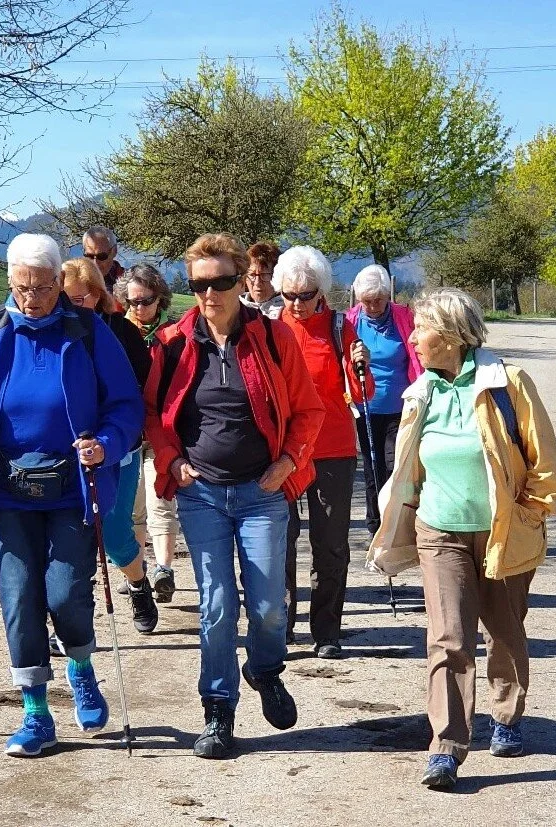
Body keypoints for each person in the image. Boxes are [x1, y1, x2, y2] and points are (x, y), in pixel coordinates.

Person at [0, 234, 144, 757]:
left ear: (60, 281)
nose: (33, 297)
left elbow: (125, 405)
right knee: (18, 597)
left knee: (63, 592)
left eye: (45, 286)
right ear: (10, 280)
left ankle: (80, 667)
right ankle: (35, 713)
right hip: (8, 491)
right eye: (23, 286)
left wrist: (105, 444)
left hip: (73, 490)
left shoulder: (87, 330)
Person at [368, 287, 556, 789]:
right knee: (449, 637)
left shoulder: (508, 384)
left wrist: (528, 516)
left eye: (422, 328)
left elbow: (545, 466)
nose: (412, 337)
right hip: (440, 529)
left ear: (452, 336)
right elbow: (408, 467)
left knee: (503, 632)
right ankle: (447, 746)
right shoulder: (422, 392)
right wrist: (393, 519)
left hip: (504, 531)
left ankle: (506, 717)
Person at [144, 233, 324, 759]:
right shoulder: (172, 343)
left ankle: (265, 670)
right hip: (201, 493)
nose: (210, 293)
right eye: (199, 284)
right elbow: (154, 414)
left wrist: (289, 462)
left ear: (242, 281)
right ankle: (218, 711)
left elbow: (309, 411)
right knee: (218, 606)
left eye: (221, 282)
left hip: (262, 492)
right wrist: (172, 462)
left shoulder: (273, 338)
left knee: (269, 605)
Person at [272, 246, 374, 658]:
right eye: (288, 295)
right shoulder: (268, 328)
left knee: (330, 543)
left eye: (305, 294)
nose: (296, 304)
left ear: (322, 292)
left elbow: (363, 394)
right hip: (281, 451)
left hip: (332, 448)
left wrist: (359, 364)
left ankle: (326, 631)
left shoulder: (338, 329)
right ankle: (279, 626)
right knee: (279, 541)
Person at [62, 258, 158, 633]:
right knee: (72, 534)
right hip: (68, 452)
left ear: (98, 297)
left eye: (78, 299)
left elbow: (142, 390)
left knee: (115, 534)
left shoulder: (121, 332)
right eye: (64, 298)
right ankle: (72, 617)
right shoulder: (51, 333)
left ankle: (137, 584)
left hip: (119, 448)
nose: (69, 307)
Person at [113, 263, 180, 602]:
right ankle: (136, 569)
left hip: (162, 429)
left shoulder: (173, 335)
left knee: (161, 501)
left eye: (147, 300)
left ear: (160, 299)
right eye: (133, 301)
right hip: (126, 431)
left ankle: (164, 569)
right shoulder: (117, 334)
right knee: (132, 506)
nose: (140, 308)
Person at [347, 265, 422, 537]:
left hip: (401, 405)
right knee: (372, 466)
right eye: (366, 301)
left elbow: (418, 353)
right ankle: (375, 525)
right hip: (365, 408)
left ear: (388, 296)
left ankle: (398, 524)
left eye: (378, 299)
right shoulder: (351, 321)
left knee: (396, 466)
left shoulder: (404, 317)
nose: (373, 306)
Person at [240, 241, 285, 319]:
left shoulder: (289, 311)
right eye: (252, 275)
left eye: (264, 275)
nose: (257, 282)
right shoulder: (234, 308)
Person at [83, 225, 124, 293]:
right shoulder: (73, 283)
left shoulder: (130, 283)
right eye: (90, 256)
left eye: (101, 256)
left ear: (114, 251)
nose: (95, 263)